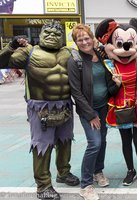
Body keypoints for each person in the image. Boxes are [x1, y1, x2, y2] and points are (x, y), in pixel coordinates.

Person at [0, 22, 79, 200]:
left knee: (65, 141)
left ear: (62, 37)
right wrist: (11, 46)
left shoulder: (69, 53)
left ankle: (63, 173)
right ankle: (43, 185)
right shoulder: (29, 52)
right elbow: (1, 62)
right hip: (40, 106)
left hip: (64, 104)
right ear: (41, 35)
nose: (52, 36)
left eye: (56, 34)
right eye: (48, 33)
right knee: (42, 145)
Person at [67, 24, 121, 200]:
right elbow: (76, 92)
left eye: (86, 38)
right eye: (79, 39)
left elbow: (107, 85)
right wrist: (91, 115)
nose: (84, 42)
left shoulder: (101, 56)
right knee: (94, 143)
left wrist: (116, 84)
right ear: (76, 42)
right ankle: (86, 184)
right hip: (88, 110)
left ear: (92, 38)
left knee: (102, 141)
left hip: (104, 106)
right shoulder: (75, 61)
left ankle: (98, 171)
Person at [95, 18, 137, 186]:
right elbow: (109, 91)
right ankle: (130, 170)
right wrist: (116, 84)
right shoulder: (109, 65)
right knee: (126, 141)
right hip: (121, 105)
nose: (125, 49)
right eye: (119, 43)